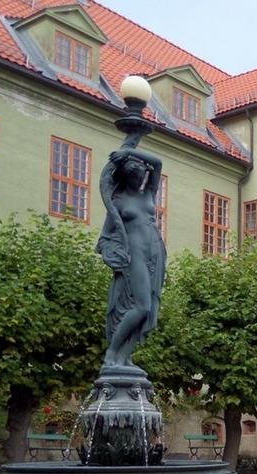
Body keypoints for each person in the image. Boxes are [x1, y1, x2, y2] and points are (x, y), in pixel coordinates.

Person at [96, 134, 166, 369]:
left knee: (149, 309)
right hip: (133, 255)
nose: (140, 179)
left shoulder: (148, 193)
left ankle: (124, 357)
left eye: (141, 175)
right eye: (135, 175)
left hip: (155, 254)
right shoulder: (116, 202)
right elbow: (105, 238)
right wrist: (112, 255)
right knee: (142, 306)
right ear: (127, 175)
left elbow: (157, 163)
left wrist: (130, 152)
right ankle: (112, 352)